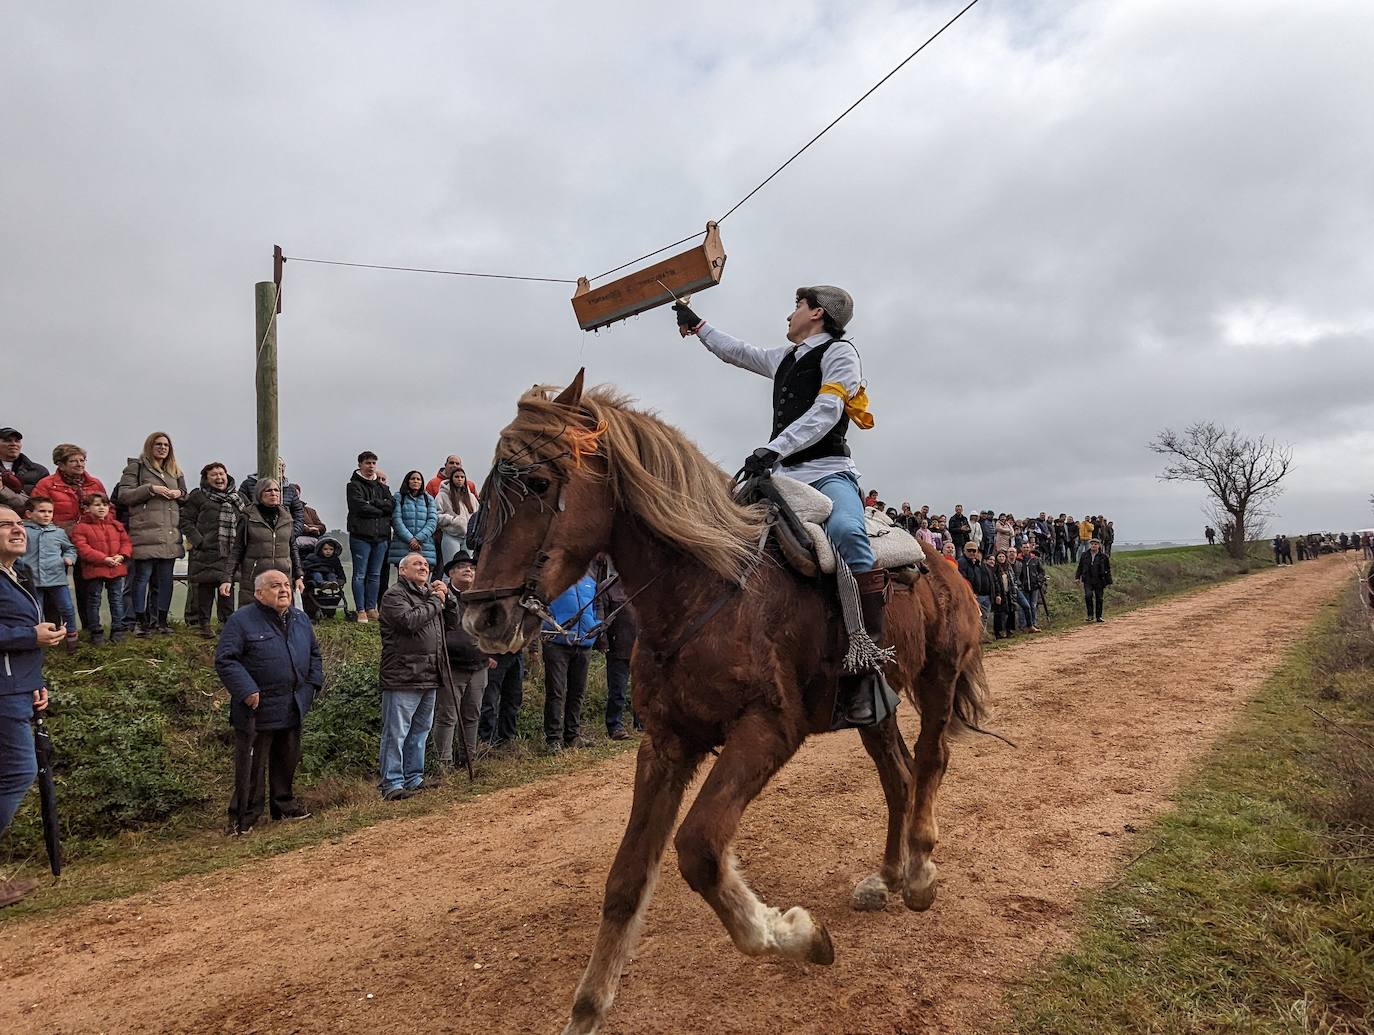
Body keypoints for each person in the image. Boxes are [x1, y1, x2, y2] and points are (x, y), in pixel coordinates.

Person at [674, 284, 889, 726]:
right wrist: (697, 325)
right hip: (782, 476)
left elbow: (828, 411)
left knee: (849, 534)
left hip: (828, 472)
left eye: (797, 306)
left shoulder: (841, 353)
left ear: (818, 314)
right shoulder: (785, 358)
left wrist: (776, 447)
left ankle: (868, 668)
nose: (789, 313)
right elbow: (737, 351)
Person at [214, 569, 322, 835]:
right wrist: (247, 690)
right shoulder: (241, 620)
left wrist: (311, 687)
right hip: (256, 708)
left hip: (293, 703)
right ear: (259, 593)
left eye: (286, 584)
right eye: (276, 586)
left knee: (287, 758)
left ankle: (283, 806)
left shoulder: (300, 618)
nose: (284, 589)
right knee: (251, 765)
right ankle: (244, 817)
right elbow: (226, 660)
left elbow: (314, 655)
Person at [0, 504, 61, 907]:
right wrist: (29, 634)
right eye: (7, 525)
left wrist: (34, 681)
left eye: (20, 523)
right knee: (20, 770)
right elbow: (19, 633)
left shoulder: (16, 574)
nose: (18, 529)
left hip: (16, 687)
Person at [378, 553, 452, 799]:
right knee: (396, 732)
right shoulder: (394, 596)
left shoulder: (429, 595)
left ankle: (413, 778)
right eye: (417, 564)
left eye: (426, 564)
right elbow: (408, 622)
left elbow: (452, 622)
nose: (423, 566)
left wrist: (448, 599)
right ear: (402, 571)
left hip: (430, 673)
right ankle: (391, 783)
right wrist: (436, 601)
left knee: (420, 731)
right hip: (403, 674)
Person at [118, 432, 187, 635]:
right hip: (145, 534)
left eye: (166, 444)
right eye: (158, 444)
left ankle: (160, 622)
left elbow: (185, 495)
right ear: (150, 446)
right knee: (142, 579)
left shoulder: (175, 471)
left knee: (164, 581)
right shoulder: (135, 467)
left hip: (170, 535)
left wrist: (179, 494)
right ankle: (140, 623)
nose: (162, 447)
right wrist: (151, 489)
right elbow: (124, 496)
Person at [33, 444, 106, 631]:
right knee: (54, 588)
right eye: (73, 460)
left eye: (82, 460)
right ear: (60, 464)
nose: (80, 464)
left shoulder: (94, 484)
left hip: (89, 541)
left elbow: (107, 509)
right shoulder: (46, 484)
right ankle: (55, 630)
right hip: (58, 542)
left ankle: (90, 629)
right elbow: (37, 511)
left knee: (89, 588)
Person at [436, 552, 492, 777]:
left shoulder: (480, 598)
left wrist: (490, 651)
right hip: (452, 665)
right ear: (450, 573)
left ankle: (468, 758)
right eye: (461, 567)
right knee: (447, 716)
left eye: (471, 567)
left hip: (479, 665)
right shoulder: (443, 596)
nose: (468, 570)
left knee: (472, 714)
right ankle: (444, 765)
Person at [181, 462, 243, 637]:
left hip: (229, 553)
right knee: (205, 589)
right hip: (205, 552)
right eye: (214, 475)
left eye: (221, 473)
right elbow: (185, 520)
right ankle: (204, 624)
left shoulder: (238, 498)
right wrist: (198, 541)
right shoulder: (198, 497)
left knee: (227, 589)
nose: (219, 478)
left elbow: (246, 520)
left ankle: (226, 624)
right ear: (206, 479)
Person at [222, 479, 302, 609]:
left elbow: (293, 547)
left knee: (280, 618)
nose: (273, 493)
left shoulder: (287, 517)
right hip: (255, 578)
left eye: (276, 490)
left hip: (282, 576)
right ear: (259, 493)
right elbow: (237, 549)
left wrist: (298, 575)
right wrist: (227, 578)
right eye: (268, 490)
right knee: (253, 618)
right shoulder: (248, 517)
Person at [542, 571, 599, 752]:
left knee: (578, 692)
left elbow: (596, 607)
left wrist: (595, 626)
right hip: (557, 643)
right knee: (556, 691)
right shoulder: (552, 578)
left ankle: (572, 736)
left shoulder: (590, 582)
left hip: (584, 643)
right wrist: (551, 628)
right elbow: (541, 607)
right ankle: (553, 739)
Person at [17, 498, 79, 652]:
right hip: (31, 580)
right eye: (42, 511)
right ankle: (36, 639)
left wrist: (69, 558)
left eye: (50, 512)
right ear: (29, 514)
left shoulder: (58, 532)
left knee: (67, 608)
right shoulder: (22, 530)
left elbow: (70, 548)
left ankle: (71, 636)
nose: (46, 515)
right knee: (34, 610)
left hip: (56, 578)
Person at [70, 492, 131, 645]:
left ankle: (118, 630)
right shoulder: (81, 528)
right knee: (94, 601)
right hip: (94, 569)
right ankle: (95, 632)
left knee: (116, 600)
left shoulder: (116, 525)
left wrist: (122, 555)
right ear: (86, 508)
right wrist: (104, 559)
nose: (102, 508)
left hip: (116, 568)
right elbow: (83, 549)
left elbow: (126, 543)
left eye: (104, 505)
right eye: (97, 505)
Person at [593, 554, 639, 739]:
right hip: (617, 646)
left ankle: (641, 722)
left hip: (639, 647)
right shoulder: (607, 587)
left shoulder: (640, 587)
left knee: (639, 688)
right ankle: (615, 726)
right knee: (618, 690)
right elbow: (600, 615)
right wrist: (602, 640)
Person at [346, 451, 393, 623]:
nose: (371, 466)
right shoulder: (353, 486)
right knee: (360, 574)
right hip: (360, 536)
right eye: (367, 463)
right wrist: (381, 509)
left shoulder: (382, 487)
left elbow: (391, 506)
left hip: (381, 537)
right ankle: (360, 610)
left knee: (375, 574)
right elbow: (359, 507)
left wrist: (374, 504)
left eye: (373, 463)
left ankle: (372, 608)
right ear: (360, 464)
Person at [240, 459, 305, 539]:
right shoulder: (248, 484)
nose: (281, 469)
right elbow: (241, 508)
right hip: (256, 537)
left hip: (284, 538)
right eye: (277, 467)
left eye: (282, 466)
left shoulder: (290, 489)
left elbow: (298, 513)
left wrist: (291, 534)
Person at [389, 470, 438, 569]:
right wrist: (410, 540)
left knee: (422, 578)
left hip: (424, 546)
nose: (415, 481)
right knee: (404, 579)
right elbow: (396, 520)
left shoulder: (428, 499)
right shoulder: (399, 497)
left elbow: (432, 521)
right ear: (407, 481)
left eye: (418, 479)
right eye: (412, 479)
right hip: (403, 545)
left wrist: (418, 539)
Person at [479, 649, 525, 751]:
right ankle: (487, 742)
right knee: (490, 701)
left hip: (516, 652)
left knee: (513, 699)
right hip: (494, 652)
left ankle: (507, 739)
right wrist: (486, 654)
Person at [436, 465, 478, 567]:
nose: (459, 479)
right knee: (450, 567)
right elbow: (436, 515)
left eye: (462, 477)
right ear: (451, 478)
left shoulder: (471, 497)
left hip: (468, 537)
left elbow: (477, 514)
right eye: (457, 477)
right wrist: (453, 520)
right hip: (451, 535)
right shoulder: (442, 495)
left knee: (468, 566)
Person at [0, 428, 48, 512]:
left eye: (17, 441)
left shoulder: (39, 471)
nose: (13, 444)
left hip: (28, 521)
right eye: (7, 441)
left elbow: (44, 504)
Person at [302, 535, 347, 619]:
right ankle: (322, 584)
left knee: (332, 575)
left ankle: (333, 584)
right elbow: (306, 566)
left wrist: (342, 579)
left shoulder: (334, 559)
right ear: (320, 549)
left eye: (331, 549)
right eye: (325, 549)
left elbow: (339, 570)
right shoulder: (313, 557)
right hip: (316, 574)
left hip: (328, 574)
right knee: (317, 574)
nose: (328, 551)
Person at [958, 542, 994, 636]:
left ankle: (978, 637)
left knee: (979, 618)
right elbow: (963, 580)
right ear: (964, 551)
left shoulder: (976, 563)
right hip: (968, 595)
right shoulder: (962, 562)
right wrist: (970, 593)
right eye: (969, 550)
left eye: (974, 551)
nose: (972, 552)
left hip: (977, 594)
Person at [1075, 537, 1113, 623]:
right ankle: (1090, 615)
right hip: (1087, 579)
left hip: (1099, 580)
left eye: (1095, 544)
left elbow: (1108, 569)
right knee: (1088, 596)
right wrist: (1077, 577)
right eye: (1092, 544)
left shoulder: (1104, 556)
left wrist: (1109, 581)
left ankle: (1099, 616)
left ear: (1099, 546)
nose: (1093, 546)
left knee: (1099, 598)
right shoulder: (1084, 555)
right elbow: (1080, 567)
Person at [1014, 542, 1045, 632]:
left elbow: (1041, 571)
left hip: (1034, 586)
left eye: (1027, 547)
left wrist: (1039, 580)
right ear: (1021, 548)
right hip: (1023, 587)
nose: (1026, 549)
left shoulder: (1035, 559)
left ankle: (1033, 623)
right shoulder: (1018, 560)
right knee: (1024, 606)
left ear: (1030, 548)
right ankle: (1024, 625)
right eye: (1024, 547)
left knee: (1033, 605)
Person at [991, 549, 1017, 639]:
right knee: (999, 613)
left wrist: (1014, 590)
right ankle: (998, 632)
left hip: (1009, 591)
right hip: (1000, 593)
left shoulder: (1008, 567)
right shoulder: (995, 568)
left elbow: (1013, 579)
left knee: (1011, 611)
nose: (1001, 558)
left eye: (1003, 556)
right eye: (999, 556)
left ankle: (1009, 630)